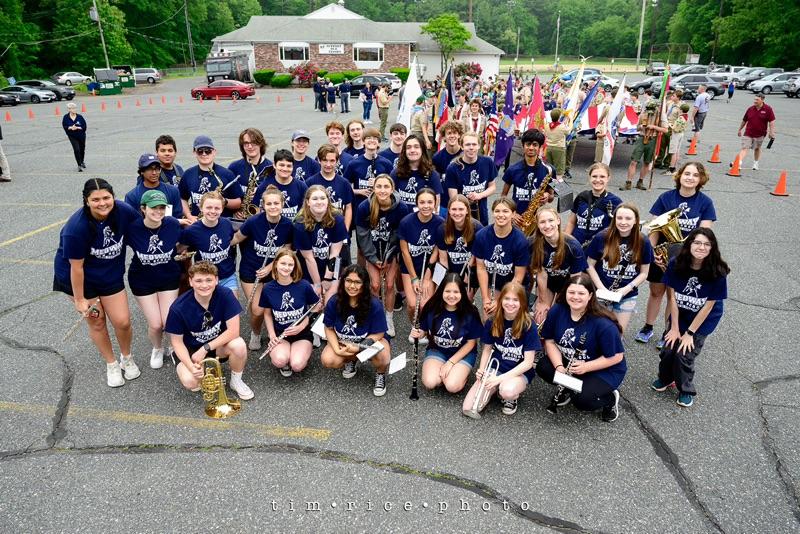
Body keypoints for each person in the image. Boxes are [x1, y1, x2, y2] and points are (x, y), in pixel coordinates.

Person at [53, 178, 140, 387]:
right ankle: (111, 364)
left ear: (113, 197)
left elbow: (141, 228)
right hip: (81, 280)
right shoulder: (76, 228)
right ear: (87, 201)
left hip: (109, 274)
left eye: (106, 198)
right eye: (96, 199)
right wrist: (79, 299)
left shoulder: (123, 211)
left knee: (122, 321)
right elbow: (76, 268)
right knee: (97, 321)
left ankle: (126, 357)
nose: (102, 203)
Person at [636, 162, 716, 347]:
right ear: (680, 176)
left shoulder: (705, 202)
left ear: (701, 179)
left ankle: (668, 331)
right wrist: (652, 252)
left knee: (674, 296)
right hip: (662, 254)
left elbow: (705, 234)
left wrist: (691, 254)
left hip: (687, 259)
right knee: (656, 292)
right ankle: (648, 327)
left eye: (695, 175)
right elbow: (655, 228)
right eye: (687, 173)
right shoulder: (666, 197)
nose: (690, 178)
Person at [651, 228, 729, 407]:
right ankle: (665, 378)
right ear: (689, 244)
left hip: (702, 320)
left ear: (712, 248)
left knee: (684, 354)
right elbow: (672, 298)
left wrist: (690, 333)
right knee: (668, 348)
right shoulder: (676, 263)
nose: (701, 247)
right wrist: (674, 328)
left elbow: (708, 307)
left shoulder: (718, 271)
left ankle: (685, 389)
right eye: (697, 243)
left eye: (707, 244)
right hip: (680, 313)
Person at [536, 273, 626, 422]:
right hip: (572, 363)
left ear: (590, 295)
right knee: (544, 367)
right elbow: (549, 341)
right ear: (565, 293)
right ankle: (571, 387)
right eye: (571, 292)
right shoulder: (557, 310)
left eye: (581, 293)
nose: (575, 297)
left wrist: (586, 367)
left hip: (602, 369)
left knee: (582, 401)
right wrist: (559, 367)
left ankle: (609, 399)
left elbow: (617, 357)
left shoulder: (604, 324)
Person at [165, 261, 254, 400]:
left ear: (216, 280)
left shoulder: (225, 294)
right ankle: (195, 371)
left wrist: (205, 348)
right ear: (191, 282)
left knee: (239, 345)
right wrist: (191, 367)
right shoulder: (178, 308)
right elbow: (176, 342)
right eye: (198, 281)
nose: (204, 285)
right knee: (191, 381)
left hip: (216, 345)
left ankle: (236, 381)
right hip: (192, 351)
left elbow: (234, 331)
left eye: (209, 280)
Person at [230, 185, 294, 350]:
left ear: (282, 204)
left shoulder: (288, 225)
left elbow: (286, 249)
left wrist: (271, 267)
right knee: (257, 310)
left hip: (274, 270)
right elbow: (236, 238)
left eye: (276, 203)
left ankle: (277, 332)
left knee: (275, 305)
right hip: (251, 270)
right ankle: (256, 333)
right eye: (269, 204)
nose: (273, 207)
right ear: (263, 205)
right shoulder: (253, 221)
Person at [461, 282, 539, 417]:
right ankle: (497, 387)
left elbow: (528, 363)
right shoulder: (492, 321)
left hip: (518, 372)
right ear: (501, 299)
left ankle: (509, 396)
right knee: (468, 407)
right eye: (507, 298)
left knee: (507, 391)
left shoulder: (528, 325)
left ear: (522, 303)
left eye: (515, 300)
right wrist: (482, 370)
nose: (510, 303)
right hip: (496, 368)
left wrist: (499, 379)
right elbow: (487, 350)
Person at [125, 190, 182, 368]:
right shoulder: (132, 228)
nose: (158, 211)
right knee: (156, 324)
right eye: (153, 208)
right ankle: (157, 348)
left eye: (162, 208)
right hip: (142, 280)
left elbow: (182, 242)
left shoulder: (172, 223)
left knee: (169, 320)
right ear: (143, 208)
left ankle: (174, 346)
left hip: (168, 278)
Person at [321, 264, 391, 397]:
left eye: (357, 282)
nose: (352, 286)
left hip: (368, 342)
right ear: (343, 281)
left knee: (383, 357)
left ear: (364, 284)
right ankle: (351, 360)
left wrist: (359, 347)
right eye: (348, 280)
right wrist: (336, 349)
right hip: (345, 342)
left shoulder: (374, 304)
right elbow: (328, 328)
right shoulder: (334, 301)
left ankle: (380, 374)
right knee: (328, 359)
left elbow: (379, 333)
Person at [355, 174, 410, 337]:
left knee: (390, 285)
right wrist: (373, 258)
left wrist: (388, 258)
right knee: (375, 285)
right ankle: (376, 316)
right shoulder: (364, 207)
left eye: (386, 187)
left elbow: (398, 236)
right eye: (379, 186)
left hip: (391, 251)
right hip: (372, 251)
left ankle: (388, 318)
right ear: (373, 188)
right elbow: (362, 236)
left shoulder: (401, 208)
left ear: (392, 189)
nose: (382, 190)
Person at [586, 203, 653, 332]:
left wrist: (625, 290)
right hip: (601, 292)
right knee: (596, 331)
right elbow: (589, 264)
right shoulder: (601, 237)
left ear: (635, 221)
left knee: (617, 332)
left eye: (628, 218)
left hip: (627, 294)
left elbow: (644, 273)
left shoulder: (643, 241)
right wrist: (601, 288)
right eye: (619, 218)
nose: (623, 222)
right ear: (614, 219)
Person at [410, 273, 482, 393]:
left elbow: (471, 343)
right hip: (437, 349)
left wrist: (450, 362)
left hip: (462, 353)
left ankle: (459, 374)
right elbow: (423, 330)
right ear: (441, 291)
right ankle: (447, 373)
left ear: (462, 293)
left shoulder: (470, 312)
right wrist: (419, 333)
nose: (451, 296)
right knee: (430, 382)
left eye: (456, 292)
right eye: (448, 291)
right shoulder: (431, 307)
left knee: (452, 386)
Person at [260, 248, 321, 377]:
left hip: (302, 334)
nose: (286, 268)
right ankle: (286, 357)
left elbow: (316, 307)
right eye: (283, 263)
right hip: (280, 334)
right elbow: (267, 314)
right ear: (275, 264)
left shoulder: (304, 285)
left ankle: (297, 355)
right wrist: (272, 335)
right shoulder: (268, 288)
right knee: (280, 360)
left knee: (297, 365)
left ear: (294, 267)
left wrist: (302, 326)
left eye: (290, 264)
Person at [529, 207, 588, 327]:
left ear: (558, 221)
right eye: (542, 222)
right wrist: (542, 302)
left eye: (551, 220)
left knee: (558, 318)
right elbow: (541, 275)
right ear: (538, 225)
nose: (547, 225)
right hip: (548, 283)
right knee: (540, 318)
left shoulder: (573, 246)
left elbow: (575, 280)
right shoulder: (533, 243)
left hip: (568, 285)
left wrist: (559, 304)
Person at [398, 188, 444, 338]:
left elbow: (437, 249)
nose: (426, 206)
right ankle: (415, 325)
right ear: (417, 203)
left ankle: (426, 329)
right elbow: (405, 252)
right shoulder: (406, 222)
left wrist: (427, 277)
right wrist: (414, 278)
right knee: (412, 305)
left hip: (430, 268)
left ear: (435, 203)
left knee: (426, 304)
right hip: (410, 268)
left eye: (430, 202)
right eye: (422, 202)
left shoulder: (440, 223)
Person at [473, 198, 530, 317]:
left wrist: (500, 300)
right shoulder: (481, 236)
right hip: (494, 285)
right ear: (493, 213)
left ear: (513, 214)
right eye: (497, 211)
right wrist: (485, 298)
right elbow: (481, 269)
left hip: (514, 285)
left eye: (505, 211)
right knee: (489, 316)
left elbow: (518, 277)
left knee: (510, 317)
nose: (501, 215)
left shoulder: (520, 241)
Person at [178, 191, 239, 297]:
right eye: (209, 207)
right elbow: (179, 249)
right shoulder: (192, 230)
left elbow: (233, 239)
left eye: (217, 208)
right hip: (204, 279)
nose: (213, 211)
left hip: (227, 277)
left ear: (222, 209)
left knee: (232, 304)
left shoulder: (227, 224)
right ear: (201, 208)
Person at [293, 185, 347, 304]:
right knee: (315, 302)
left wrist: (327, 279)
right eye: (315, 199)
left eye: (323, 198)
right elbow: (309, 258)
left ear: (328, 201)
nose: (319, 202)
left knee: (330, 301)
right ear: (308, 202)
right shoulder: (300, 224)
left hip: (332, 266)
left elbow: (335, 253)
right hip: (309, 268)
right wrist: (317, 284)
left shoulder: (337, 219)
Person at [500, 128, 556, 229]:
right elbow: (503, 196)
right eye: (528, 144)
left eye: (535, 145)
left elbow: (552, 197)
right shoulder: (512, 169)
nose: (531, 148)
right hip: (518, 219)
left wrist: (548, 195)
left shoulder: (550, 170)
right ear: (523, 146)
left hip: (540, 219)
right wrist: (512, 213)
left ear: (540, 147)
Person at [179, 136, 242, 223]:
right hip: (198, 223)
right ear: (194, 152)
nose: (204, 154)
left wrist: (224, 201)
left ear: (214, 152)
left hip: (222, 224)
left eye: (208, 151)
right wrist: (189, 216)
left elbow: (238, 202)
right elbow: (182, 198)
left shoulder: (227, 174)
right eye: (200, 151)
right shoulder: (188, 174)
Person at [564, 162, 622, 249]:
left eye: (602, 177)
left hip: (598, 249)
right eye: (594, 176)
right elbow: (571, 222)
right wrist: (565, 242)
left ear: (608, 178)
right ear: (589, 177)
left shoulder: (615, 201)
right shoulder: (581, 197)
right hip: (575, 246)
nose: (598, 180)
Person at [434, 195, 483, 297]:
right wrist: (444, 282)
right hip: (451, 271)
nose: (457, 213)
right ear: (449, 210)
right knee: (443, 297)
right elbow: (443, 260)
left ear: (467, 210)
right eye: (454, 209)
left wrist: (468, 274)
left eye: (461, 209)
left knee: (464, 300)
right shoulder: (442, 229)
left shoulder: (477, 228)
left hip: (470, 270)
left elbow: (478, 258)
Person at [444, 132, 496, 225]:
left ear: (479, 146)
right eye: (468, 144)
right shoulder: (453, 168)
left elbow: (492, 187)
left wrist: (479, 195)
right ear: (462, 146)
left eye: (474, 144)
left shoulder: (487, 162)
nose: (471, 147)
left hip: (482, 213)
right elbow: (454, 198)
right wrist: (467, 200)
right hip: (461, 215)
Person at [227, 128, 272, 223]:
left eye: (254, 143)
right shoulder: (234, 167)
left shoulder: (271, 168)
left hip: (263, 219)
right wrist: (234, 211)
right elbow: (227, 195)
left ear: (261, 144)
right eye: (246, 143)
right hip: (239, 219)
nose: (250, 146)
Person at [343, 127, 393, 214]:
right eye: (368, 138)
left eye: (375, 138)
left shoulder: (386, 164)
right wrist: (359, 191)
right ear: (363, 142)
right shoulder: (354, 163)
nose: (372, 140)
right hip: (359, 208)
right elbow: (345, 187)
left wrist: (378, 184)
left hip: (380, 209)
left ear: (378, 143)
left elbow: (393, 188)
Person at [306, 144, 354, 232]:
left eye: (332, 161)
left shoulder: (344, 183)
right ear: (319, 160)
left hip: (338, 229)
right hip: (317, 231)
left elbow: (348, 208)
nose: (328, 164)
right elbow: (306, 208)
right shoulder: (310, 182)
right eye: (325, 160)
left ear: (337, 161)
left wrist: (345, 230)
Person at [622, 100, 668, 191]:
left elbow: (665, 130)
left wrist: (654, 127)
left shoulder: (660, 116)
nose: (649, 112)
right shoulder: (643, 114)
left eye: (652, 109)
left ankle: (640, 181)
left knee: (647, 162)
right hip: (642, 138)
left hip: (652, 139)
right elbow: (637, 127)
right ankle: (628, 182)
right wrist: (641, 127)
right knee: (634, 161)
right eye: (648, 109)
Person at [124, 153, 184, 220]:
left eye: (157, 169)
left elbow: (177, 216)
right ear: (142, 171)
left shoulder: (173, 191)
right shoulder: (132, 196)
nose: (154, 173)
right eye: (149, 169)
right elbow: (131, 220)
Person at [391, 134, 443, 210]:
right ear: (404, 151)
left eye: (416, 147)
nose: (412, 150)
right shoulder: (396, 173)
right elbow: (391, 200)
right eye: (408, 147)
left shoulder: (432, 175)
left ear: (422, 150)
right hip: (400, 216)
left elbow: (436, 204)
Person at [253, 149, 308, 219]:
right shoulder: (264, 187)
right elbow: (256, 211)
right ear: (274, 165)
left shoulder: (301, 186)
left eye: (289, 166)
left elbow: (307, 210)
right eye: (281, 165)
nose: (285, 169)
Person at [735, 94, 776, 171]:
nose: (755, 101)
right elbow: (744, 120)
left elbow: (771, 121)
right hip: (748, 132)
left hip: (760, 134)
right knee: (745, 148)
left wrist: (771, 132)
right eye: (754, 99)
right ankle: (738, 163)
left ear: (762, 100)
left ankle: (756, 163)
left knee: (757, 148)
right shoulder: (750, 109)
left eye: (757, 100)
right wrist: (740, 129)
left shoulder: (768, 109)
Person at [663, 103, 691, 176]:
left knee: (673, 152)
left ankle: (671, 169)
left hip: (676, 135)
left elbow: (675, 129)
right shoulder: (686, 116)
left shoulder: (680, 118)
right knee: (677, 151)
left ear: (681, 110)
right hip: (681, 133)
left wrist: (670, 125)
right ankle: (674, 167)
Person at [543, 108, 571, 180]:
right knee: (559, 169)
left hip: (549, 147)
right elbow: (569, 131)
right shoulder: (562, 126)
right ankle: (557, 184)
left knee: (549, 167)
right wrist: (568, 121)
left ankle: (549, 182)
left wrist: (564, 123)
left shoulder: (547, 125)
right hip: (559, 148)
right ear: (559, 117)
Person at [62, 102, 87, 172]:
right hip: (72, 136)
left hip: (81, 135)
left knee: (82, 149)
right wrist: (70, 127)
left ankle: (82, 161)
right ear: (69, 109)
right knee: (76, 149)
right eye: (72, 108)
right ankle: (79, 165)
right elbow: (64, 126)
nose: (74, 109)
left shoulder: (80, 117)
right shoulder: (66, 117)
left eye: (75, 108)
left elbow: (84, 126)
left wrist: (78, 128)